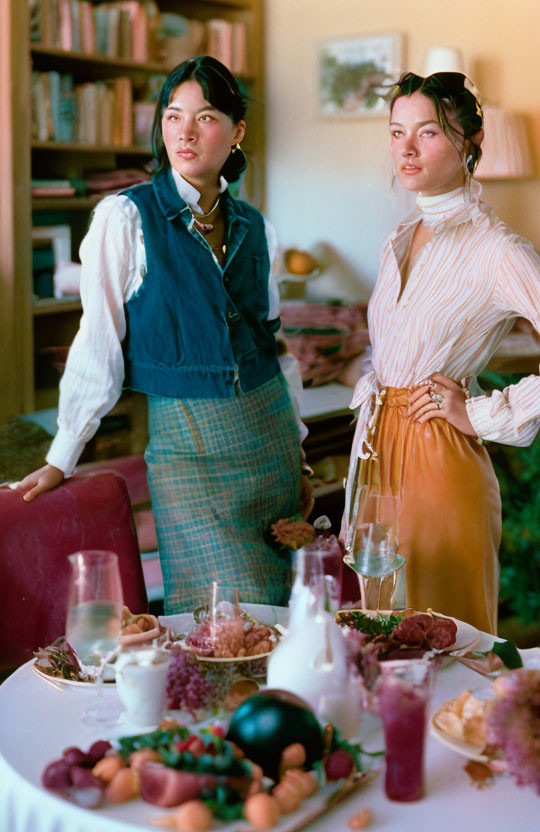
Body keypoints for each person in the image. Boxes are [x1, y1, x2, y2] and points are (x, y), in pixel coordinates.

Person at [11, 56, 312, 613]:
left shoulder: (256, 226)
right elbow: (96, 340)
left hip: (272, 446)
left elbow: (273, 347)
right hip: (192, 455)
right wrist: (64, 453)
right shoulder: (124, 219)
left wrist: (297, 447)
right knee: (218, 626)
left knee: (283, 618)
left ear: (237, 131)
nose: (185, 132)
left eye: (205, 117)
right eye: (173, 116)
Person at [342, 71, 540, 634]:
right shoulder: (397, 238)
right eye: (396, 132)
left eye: (428, 133)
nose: (406, 148)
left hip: (438, 456)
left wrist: (479, 412)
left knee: (442, 638)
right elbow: (394, 346)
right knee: (376, 634)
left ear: (469, 143)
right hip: (375, 452)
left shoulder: (497, 249)